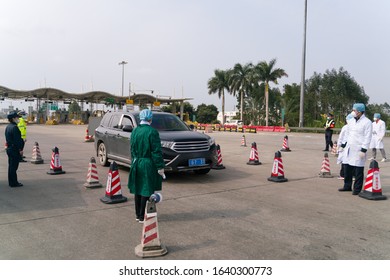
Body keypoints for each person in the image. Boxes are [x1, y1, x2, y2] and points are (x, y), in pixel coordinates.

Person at [127, 109, 165, 223]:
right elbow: (156, 151)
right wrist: (160, 167)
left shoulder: (135, 131)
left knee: (137, 188)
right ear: (150, 118)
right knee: (146, 189)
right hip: (147, 163)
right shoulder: (152, 132)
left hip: (136, 162)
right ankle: (143, 216)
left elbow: (132, 149)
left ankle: (138, 215)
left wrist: (134, 160)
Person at [338, 103, 372, 195]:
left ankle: (357, 189)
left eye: (355, 110)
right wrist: (343, 145)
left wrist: (364, 150)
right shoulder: (351, 121)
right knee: (347, 168)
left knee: (358, 170)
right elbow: (347, 134)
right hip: (349, 148)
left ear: (360, 112)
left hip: (358, 149)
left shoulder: (367, 122)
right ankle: (347, 186)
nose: (353, 112)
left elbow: (367, 137)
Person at [5, 111, 25, 187]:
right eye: (17, 118)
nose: (18, 119)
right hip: (14, 149)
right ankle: (14, 183)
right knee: (14, 167)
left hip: (9, 149)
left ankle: (11, 182)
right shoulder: (15, 127)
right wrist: (20, 149)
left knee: (11, 166)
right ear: (13, 119)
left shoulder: (8, 127)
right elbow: (17, 141)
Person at [336, 113, 354, 179]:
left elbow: (341, 137)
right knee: (352, 161)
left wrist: (339, 145)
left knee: (344, 161)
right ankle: (352, 175)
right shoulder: (354, 127)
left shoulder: (346, 127)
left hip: (345, 146)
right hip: (351, 146)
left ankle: (343, 175)